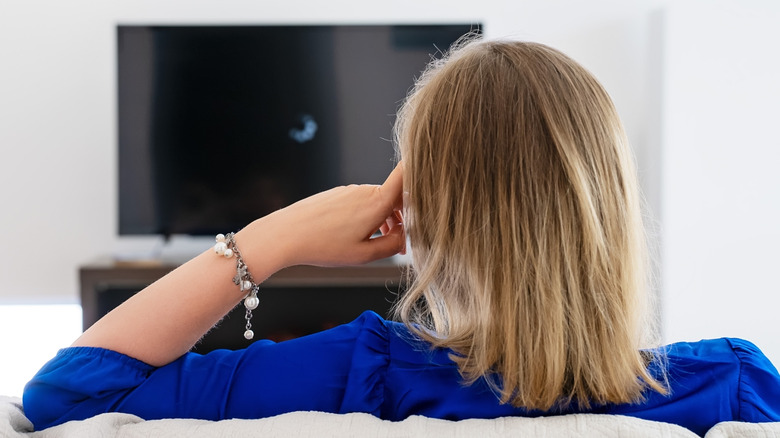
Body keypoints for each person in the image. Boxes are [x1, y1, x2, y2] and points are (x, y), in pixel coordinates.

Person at [23, 37, 780, 435]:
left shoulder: (364, 371)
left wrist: (275, 236)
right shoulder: (734, 386)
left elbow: (69, 395)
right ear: (608, 204)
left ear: (424, 210)